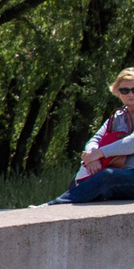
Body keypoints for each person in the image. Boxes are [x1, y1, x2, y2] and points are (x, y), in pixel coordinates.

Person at [49, 69, 134, 206]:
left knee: (107, 176)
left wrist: (99, 153)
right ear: (118, 92)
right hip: (121, 172)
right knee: (81, 177)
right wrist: (91, 158)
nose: (130, 94)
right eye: (125, 90)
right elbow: (95, 139)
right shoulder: (117, 116)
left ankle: (56, 204)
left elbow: (131, 142)